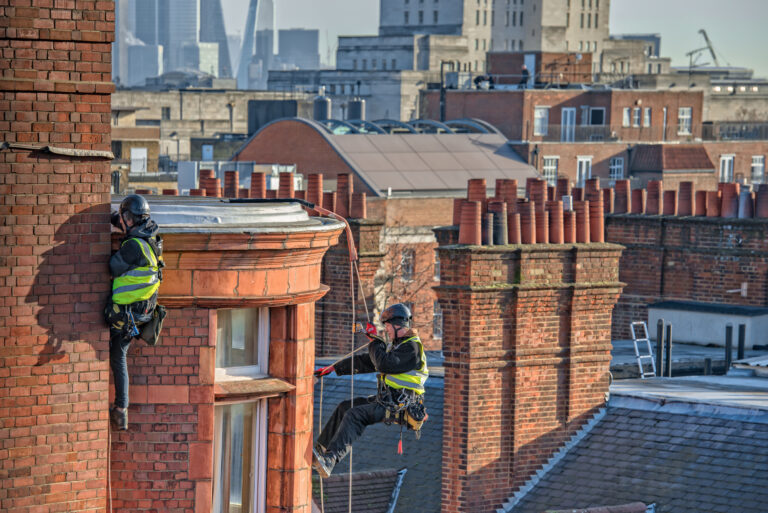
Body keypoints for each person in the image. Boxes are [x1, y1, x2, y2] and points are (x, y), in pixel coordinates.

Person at [312, 303, 429, 478]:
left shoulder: (412, 348)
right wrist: (333, 369)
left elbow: (384, 363)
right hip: (389, 400)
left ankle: (331, 459)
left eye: (388, 326)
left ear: (398, 325)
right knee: (345, 407)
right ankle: (321, 450)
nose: (387, 330)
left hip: (401, 404)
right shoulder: (398, 346)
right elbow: (367, 362)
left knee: (355, 415)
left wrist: (374, 341)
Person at [105, 194, 163, 430]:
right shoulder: (151, 238)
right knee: (120, 356)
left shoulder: (133, 246)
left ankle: (121, 410)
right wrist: (113, 218)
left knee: (118, 356)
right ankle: (121, 411)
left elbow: (112, 267)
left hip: (127, 314)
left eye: (123, 218)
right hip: (143, 312)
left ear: (129, 218)